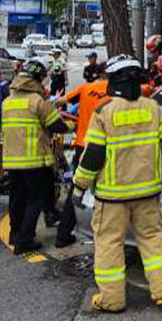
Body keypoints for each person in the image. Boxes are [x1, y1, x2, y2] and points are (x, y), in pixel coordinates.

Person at [71, 55, 162, 312]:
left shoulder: (104, 112)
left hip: (113, 197)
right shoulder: (152, 107)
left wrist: (79, 186)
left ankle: (112, 299)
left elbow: (93, 156)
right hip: (148, 192)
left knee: (109, 244)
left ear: (114, 80)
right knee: (153, 241)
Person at [2, 59, 69, 255]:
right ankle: (24, 241)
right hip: (34, 161)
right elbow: (57, 125)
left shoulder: (8, 102)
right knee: (35, 200)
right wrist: (73, 124)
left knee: (17, 198)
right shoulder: (37, 102)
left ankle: (15, 234)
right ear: (37, 79)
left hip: (12, 160)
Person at [56, 71, 111, 247]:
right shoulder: (121, 91)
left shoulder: (85, 88)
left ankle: (62, 236)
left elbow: (60, 101)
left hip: (83, 145)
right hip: (108, 146)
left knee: (76, 188)